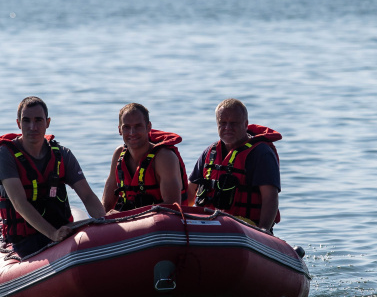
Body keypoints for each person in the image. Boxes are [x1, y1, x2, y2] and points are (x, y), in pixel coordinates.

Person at [0, 96, 106, 258]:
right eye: (26, 121)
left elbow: (87, 195)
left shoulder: (63, 154)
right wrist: (53, 234)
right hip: (25, 239)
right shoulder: (4, 155)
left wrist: (104, 220)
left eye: (38, 120)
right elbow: (19, 203)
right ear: (18, 124)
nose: (33, 127)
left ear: (48, 122)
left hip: (63, 231)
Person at [188, 98, 282, 234]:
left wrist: (264, 230)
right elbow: (190, 192)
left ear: (245, 124)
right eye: (223, 123)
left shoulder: (260, 153)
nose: (228, 128)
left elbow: (270, 197)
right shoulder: (210, 152)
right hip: (208, 223)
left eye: (233, 123)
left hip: (244, 227)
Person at [102, 103, 188, 212]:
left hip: (162, 224)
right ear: (119, 130)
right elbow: (106, 206)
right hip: (127, 222)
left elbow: (172, 206)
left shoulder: (165, 157)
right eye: (126, 127)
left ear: (148, 127)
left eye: (138, 126)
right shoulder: (119, 154)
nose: (132, 133)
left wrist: (124, 216)